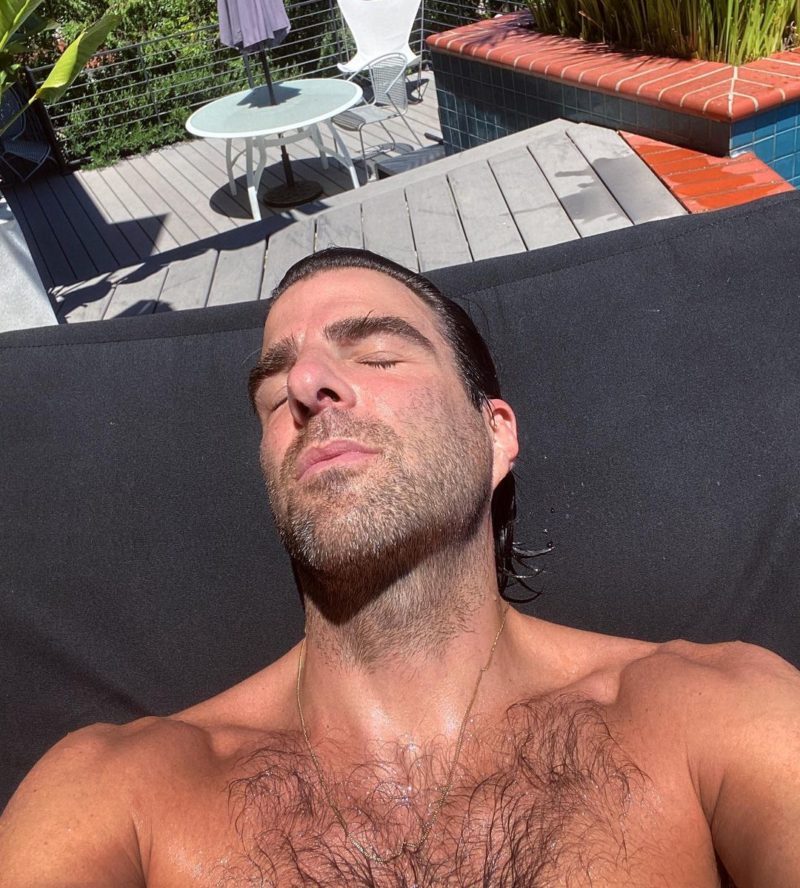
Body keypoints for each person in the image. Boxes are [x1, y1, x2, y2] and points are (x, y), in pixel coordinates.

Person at [2, 247, 800, 888]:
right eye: (275, 393)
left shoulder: (705, 712)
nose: (306, 385)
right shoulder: (118, 792)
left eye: (379, 354)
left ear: (495, 434)